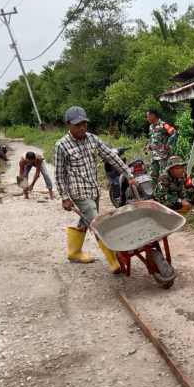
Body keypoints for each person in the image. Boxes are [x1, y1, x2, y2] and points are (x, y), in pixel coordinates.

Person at [54, 106, 135, 273]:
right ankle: (113, 260)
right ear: (68, 124)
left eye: (84, 123)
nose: (82, 128)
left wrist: (128, 174)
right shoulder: (61, 146)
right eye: (78, 125)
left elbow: (111, 156)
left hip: (94, 190)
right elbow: (59, 174)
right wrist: (64, 197)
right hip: (78, 192)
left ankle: (74, 252)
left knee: (87, 219)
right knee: (97, 222)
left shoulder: (92, 139)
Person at [146, 109, 177, 182]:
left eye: (148, 116)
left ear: (153, 115)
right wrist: (148, 145)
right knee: (153, 175)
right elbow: (152, 138)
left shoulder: (163, 125)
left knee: (163, 176)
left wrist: (168, 144)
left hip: (163, 155)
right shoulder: (151, 127)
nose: (147, 118)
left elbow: (174, 133)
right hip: (154, 155)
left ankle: (163, 192)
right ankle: (154, 192)